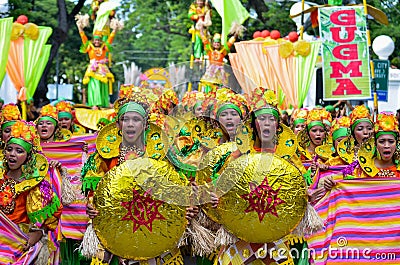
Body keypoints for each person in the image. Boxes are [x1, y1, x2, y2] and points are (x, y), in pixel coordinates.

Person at [0, 120, 63, 264]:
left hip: (20, 242)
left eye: (19, 151)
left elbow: (51, 217)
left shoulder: (35, 185)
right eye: (9, 149)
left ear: (28, 156)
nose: (12, 154)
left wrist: (37, 234)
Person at [77, 23, 118, 107]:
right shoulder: (89, 47)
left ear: (101, 40)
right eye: (95, 40)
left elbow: (110, 39)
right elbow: (83, 38)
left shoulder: (104, 47)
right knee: (93, 85)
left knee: (103, 86)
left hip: (102, 68)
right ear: (93, 40)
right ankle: (94, 104)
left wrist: (115, 29)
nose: (97, 41)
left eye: (99, 40)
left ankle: (104, 103)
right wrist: (80, 28)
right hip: (93, 68)